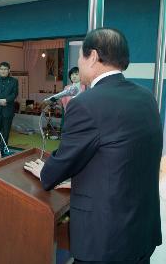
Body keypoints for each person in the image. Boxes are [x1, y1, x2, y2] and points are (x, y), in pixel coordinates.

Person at [24, 28, 162, 264]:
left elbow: (67, 158)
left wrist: (46, 171)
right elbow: (117, 153)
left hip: (105, 238)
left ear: (94, 57)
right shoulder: (146, 97)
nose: (78, 63)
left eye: (80, 56)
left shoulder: (86, 104)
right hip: (140, 229)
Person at [0, 62, 18, 143]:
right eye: (1, 69)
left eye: (5, 69)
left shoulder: (14, 81)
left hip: (8, 110)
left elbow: (15, 93)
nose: (3, 71)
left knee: (6, 131)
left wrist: (6, 100)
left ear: (9, 70)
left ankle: (4, 148)